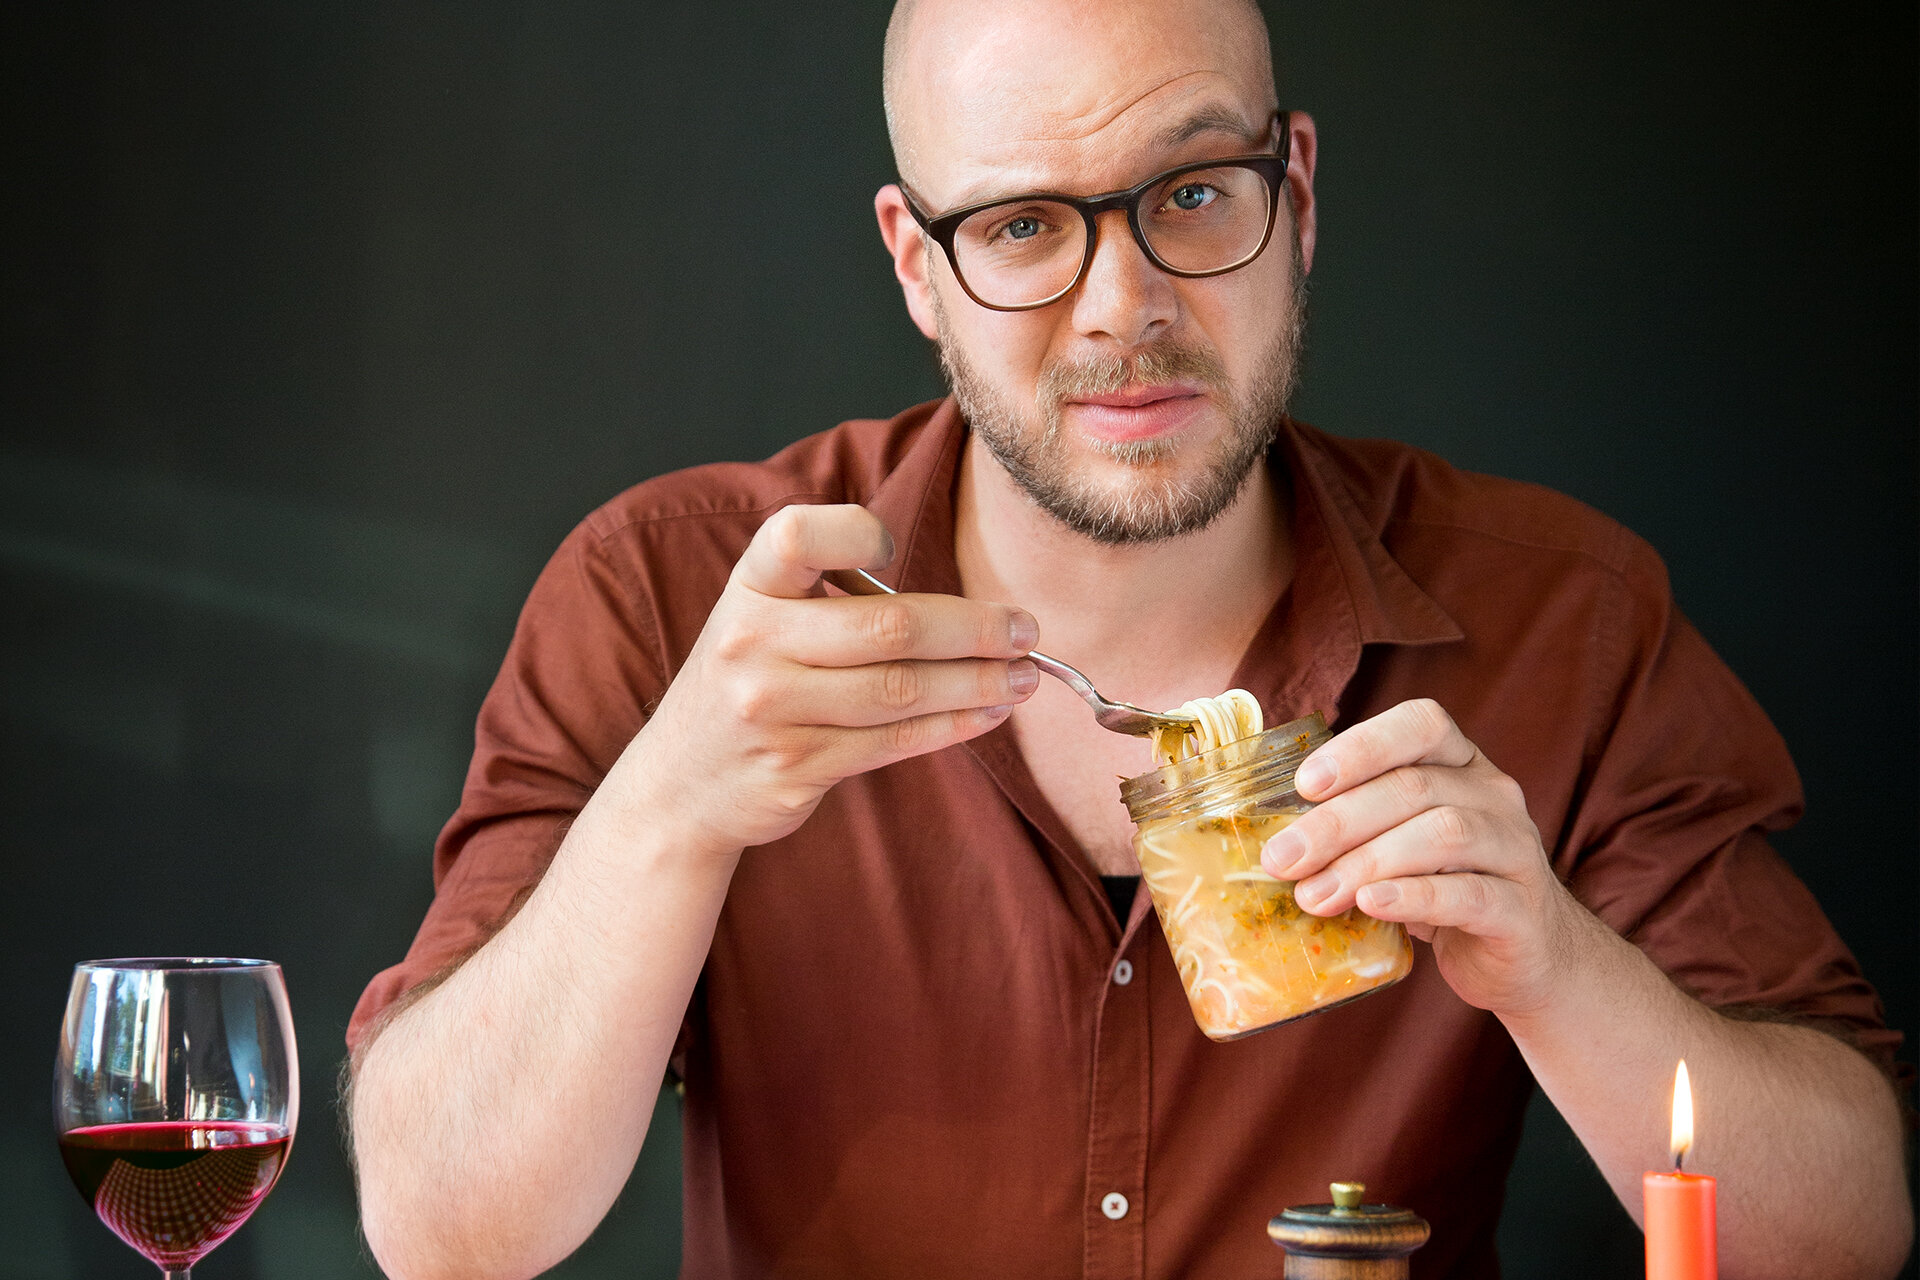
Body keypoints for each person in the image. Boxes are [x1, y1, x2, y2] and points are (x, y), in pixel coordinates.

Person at [345, 1, 1912, 1276]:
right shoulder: (667, 600)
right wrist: (672, 809)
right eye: (1025, 225)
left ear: (1295, 196)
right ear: (918, 267)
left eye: (1191, 195)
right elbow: (442, 1233)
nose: (1122, 303)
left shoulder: (1561, 614)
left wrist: (1558, 964)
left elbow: (1844, 1232)